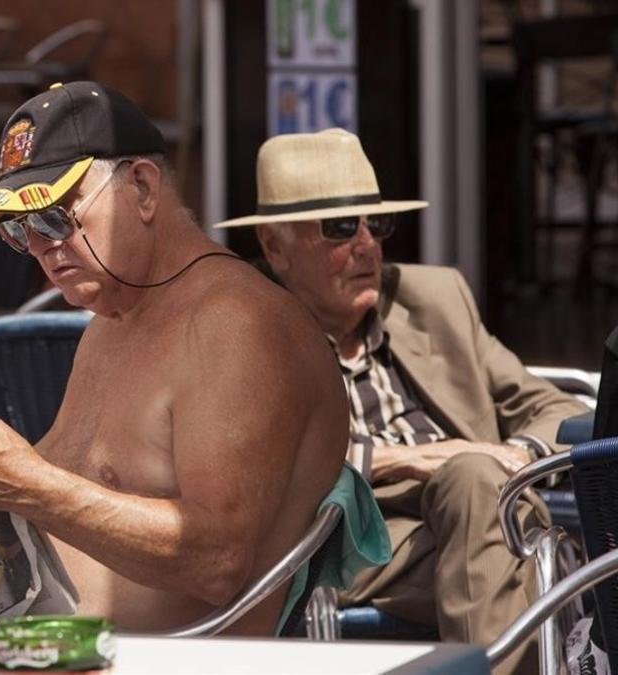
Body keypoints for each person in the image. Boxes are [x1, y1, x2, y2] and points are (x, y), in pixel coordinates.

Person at [0, 82, 379, 634]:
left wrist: (23, 480)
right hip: (38, 646)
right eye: (19, 230)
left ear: (143, 188)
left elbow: (215, 562)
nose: (43, 248)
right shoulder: (114, 320)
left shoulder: (234, 323)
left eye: (55, 218)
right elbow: (48, 483)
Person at [218, 128, 590, 674]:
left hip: (479, 517)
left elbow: (561, 410)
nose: (367, 244)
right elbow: (255, 458)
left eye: (378, 223)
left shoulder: (434, 298)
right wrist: (412, 458)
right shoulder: (243, 328)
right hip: (345, 540)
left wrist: (512, 455)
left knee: (476, 490)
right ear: (275, 248)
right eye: (340, 228)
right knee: (528, 556)